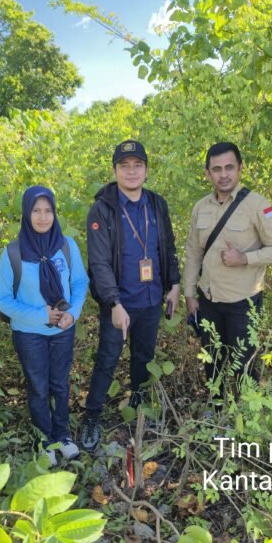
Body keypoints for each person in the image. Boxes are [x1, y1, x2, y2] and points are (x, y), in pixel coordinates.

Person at [81, 139, 181, 452]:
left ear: (146, 170)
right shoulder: (103, 208)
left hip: (151, 299)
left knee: (144, 357)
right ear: (115, 171)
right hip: (120, 304)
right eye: (124, 166)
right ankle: (92, 415)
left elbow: (168, 246)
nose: (131, 171)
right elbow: (99, 262)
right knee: (107, 359)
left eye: (138, 165)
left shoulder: (157, 204)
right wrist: (113, 302)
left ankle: (138, 403)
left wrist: (174, 284)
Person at [184, 142, 272, 398]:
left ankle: (245, 413)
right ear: (207, 173)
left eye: (229, 167)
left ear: (240, 168)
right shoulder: (200, 207)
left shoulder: (258, 205)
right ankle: (216, 407)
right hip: (208, 299)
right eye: (216, 169)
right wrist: (189, 294)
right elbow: (193, 253)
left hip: (243, 302)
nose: (223, 174)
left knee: (244, 365)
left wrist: (244, 258)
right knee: (212, 360)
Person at [0, 186, 89, 465]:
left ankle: (62, 435)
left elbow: (80, 282)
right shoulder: (13, 253)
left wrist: (73, 313)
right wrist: (41, 315)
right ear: (26, 213)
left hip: (63, 329)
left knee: (60, 384)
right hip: (28, 333)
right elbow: (2, 299)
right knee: (38, 387)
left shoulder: (66, 246)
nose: (43, 217)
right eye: (36, 210)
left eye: (48, 210)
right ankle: (44, 440)